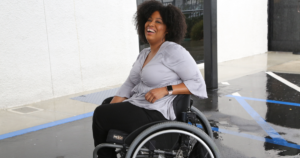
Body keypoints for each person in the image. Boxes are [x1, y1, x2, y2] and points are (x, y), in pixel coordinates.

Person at [92, 0, 207, 157]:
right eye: (149, 20)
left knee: (100, 114)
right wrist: (112, 106)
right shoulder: (144, 53)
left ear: (168, 29)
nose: (150, 24)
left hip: (156, 112)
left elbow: (198, 84)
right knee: (106, 106)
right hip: (142, 104)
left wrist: (166, 90)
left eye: (158, 22)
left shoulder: (174, 51)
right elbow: (129, 83)